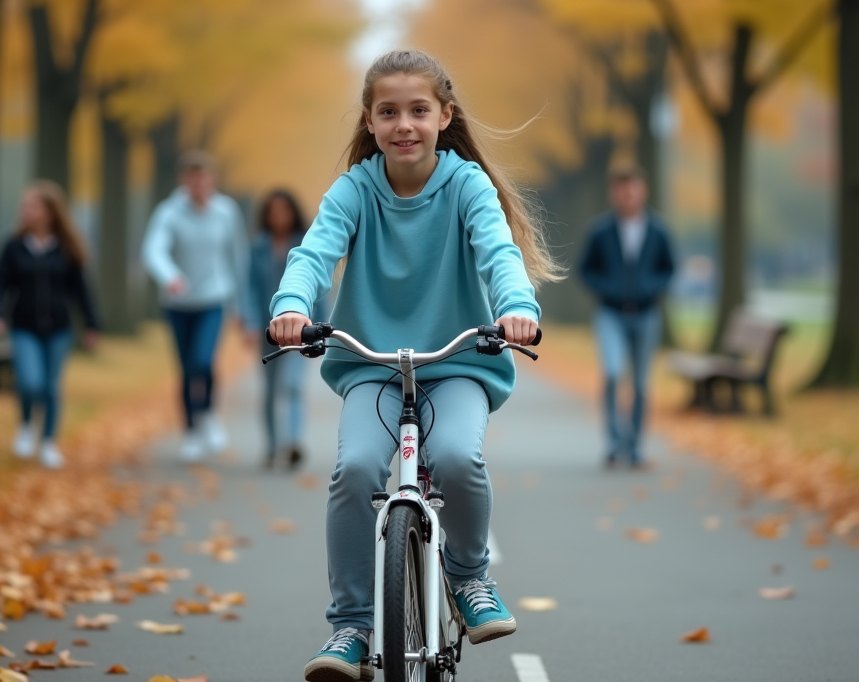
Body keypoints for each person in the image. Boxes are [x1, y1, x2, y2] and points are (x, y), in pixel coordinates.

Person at [266, 49, 560, 682]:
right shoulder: (354, 190)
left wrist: (515, 307)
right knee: (354, 470)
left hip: (457, 362)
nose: (404, 124)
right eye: (389, 111)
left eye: (418, 111)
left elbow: (498, 252)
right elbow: (313, 252)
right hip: (372, 366)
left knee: (457, 458)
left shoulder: (466, 186)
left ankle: (468, 576)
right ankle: (349, 624)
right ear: (369, 123)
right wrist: (292, 303)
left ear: (444, 116)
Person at [142, 151, 249, 464]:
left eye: (204, 178)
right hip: (178, 302)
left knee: (203, 360)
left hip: (214, 299)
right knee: (187, 368)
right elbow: (153, 248)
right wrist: (170, 276)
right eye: (192, 178)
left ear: (212, 181)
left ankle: (208, 415)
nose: (199, 184)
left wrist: (242, 307)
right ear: (183, 181)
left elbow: (236, 257)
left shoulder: (226, 211)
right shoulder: (169, 212)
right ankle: (190, 431)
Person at [0, 181, 101, 469]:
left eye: (32, 206)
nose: (25, 211)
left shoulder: (66, 248)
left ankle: (49, 442)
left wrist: (92, 324)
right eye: (24, 206)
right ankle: (26, 424)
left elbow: (81, 289)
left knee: (51, 387)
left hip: (59, 328)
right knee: (30, 383)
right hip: (24, 326)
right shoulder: (13, 247)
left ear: (50, 212)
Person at [578, 164, 676, 469]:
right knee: (612, 372)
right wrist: (607, 289)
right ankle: (614, 443)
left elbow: (669, 268)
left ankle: (634, 449)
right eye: (621, 188)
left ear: (642, 190)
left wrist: (651, 288)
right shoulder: (600, 231)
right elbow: (585, 270)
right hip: (610, 314)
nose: (627, 194)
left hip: (647, 315)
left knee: (642, 384)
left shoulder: (658, 230)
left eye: (632, 187)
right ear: (614, 192)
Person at [246, 190, 318, 470]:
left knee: (293, 385)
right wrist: (250, 322)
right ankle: (272, 445)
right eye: (273, 212)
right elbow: (250, 287)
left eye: (284, 211)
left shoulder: (305, 244)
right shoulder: (259, 246)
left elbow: (318, 289)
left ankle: (293, 443)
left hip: (302, 328)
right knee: (270, 389)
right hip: (268, 330)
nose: (279, 218)